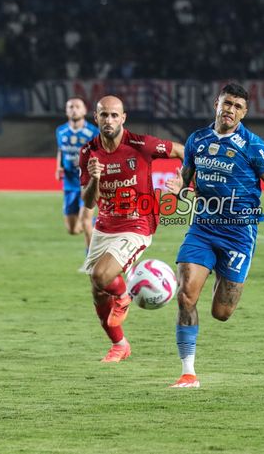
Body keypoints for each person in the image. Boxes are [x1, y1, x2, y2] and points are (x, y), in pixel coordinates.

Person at [167, 83, 264, 388]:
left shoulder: (253, 145)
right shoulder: (197, 139)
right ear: (216, 104)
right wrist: (178, 188)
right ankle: (188, 372)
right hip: (203, 228)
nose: (230, 110)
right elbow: (186, 180)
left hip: (239, 234)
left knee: (221, 313)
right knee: (185, 296)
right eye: (227, 103)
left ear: (244, 112)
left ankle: (221, 274)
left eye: (237, 106)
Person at [79, 95, 184, 363]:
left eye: (115, 115)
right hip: (105, 225)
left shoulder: (141, 144)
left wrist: (185, 181)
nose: (109, 120)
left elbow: (183, 151)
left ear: (123, 118)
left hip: (138, 223)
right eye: (104, 115)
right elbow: (89, 201)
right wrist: (94, 178)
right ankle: (120, 345)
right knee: (97, 289)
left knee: (102, 276)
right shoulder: (88, 152)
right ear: (96, 118)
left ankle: (124, 294)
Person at [56, 97, 99, 252]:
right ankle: (94, 221)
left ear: (84, 110)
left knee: (85, 223)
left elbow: (100, 154)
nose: (74, 109)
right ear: (66, 110)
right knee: (73, 229)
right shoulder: (60, 131)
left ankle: (91, 260)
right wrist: (58, 167)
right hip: (68, 183)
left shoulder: (93, 132)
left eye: (77, 106)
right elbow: (61, 150)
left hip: (86, 183)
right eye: (70, 106)